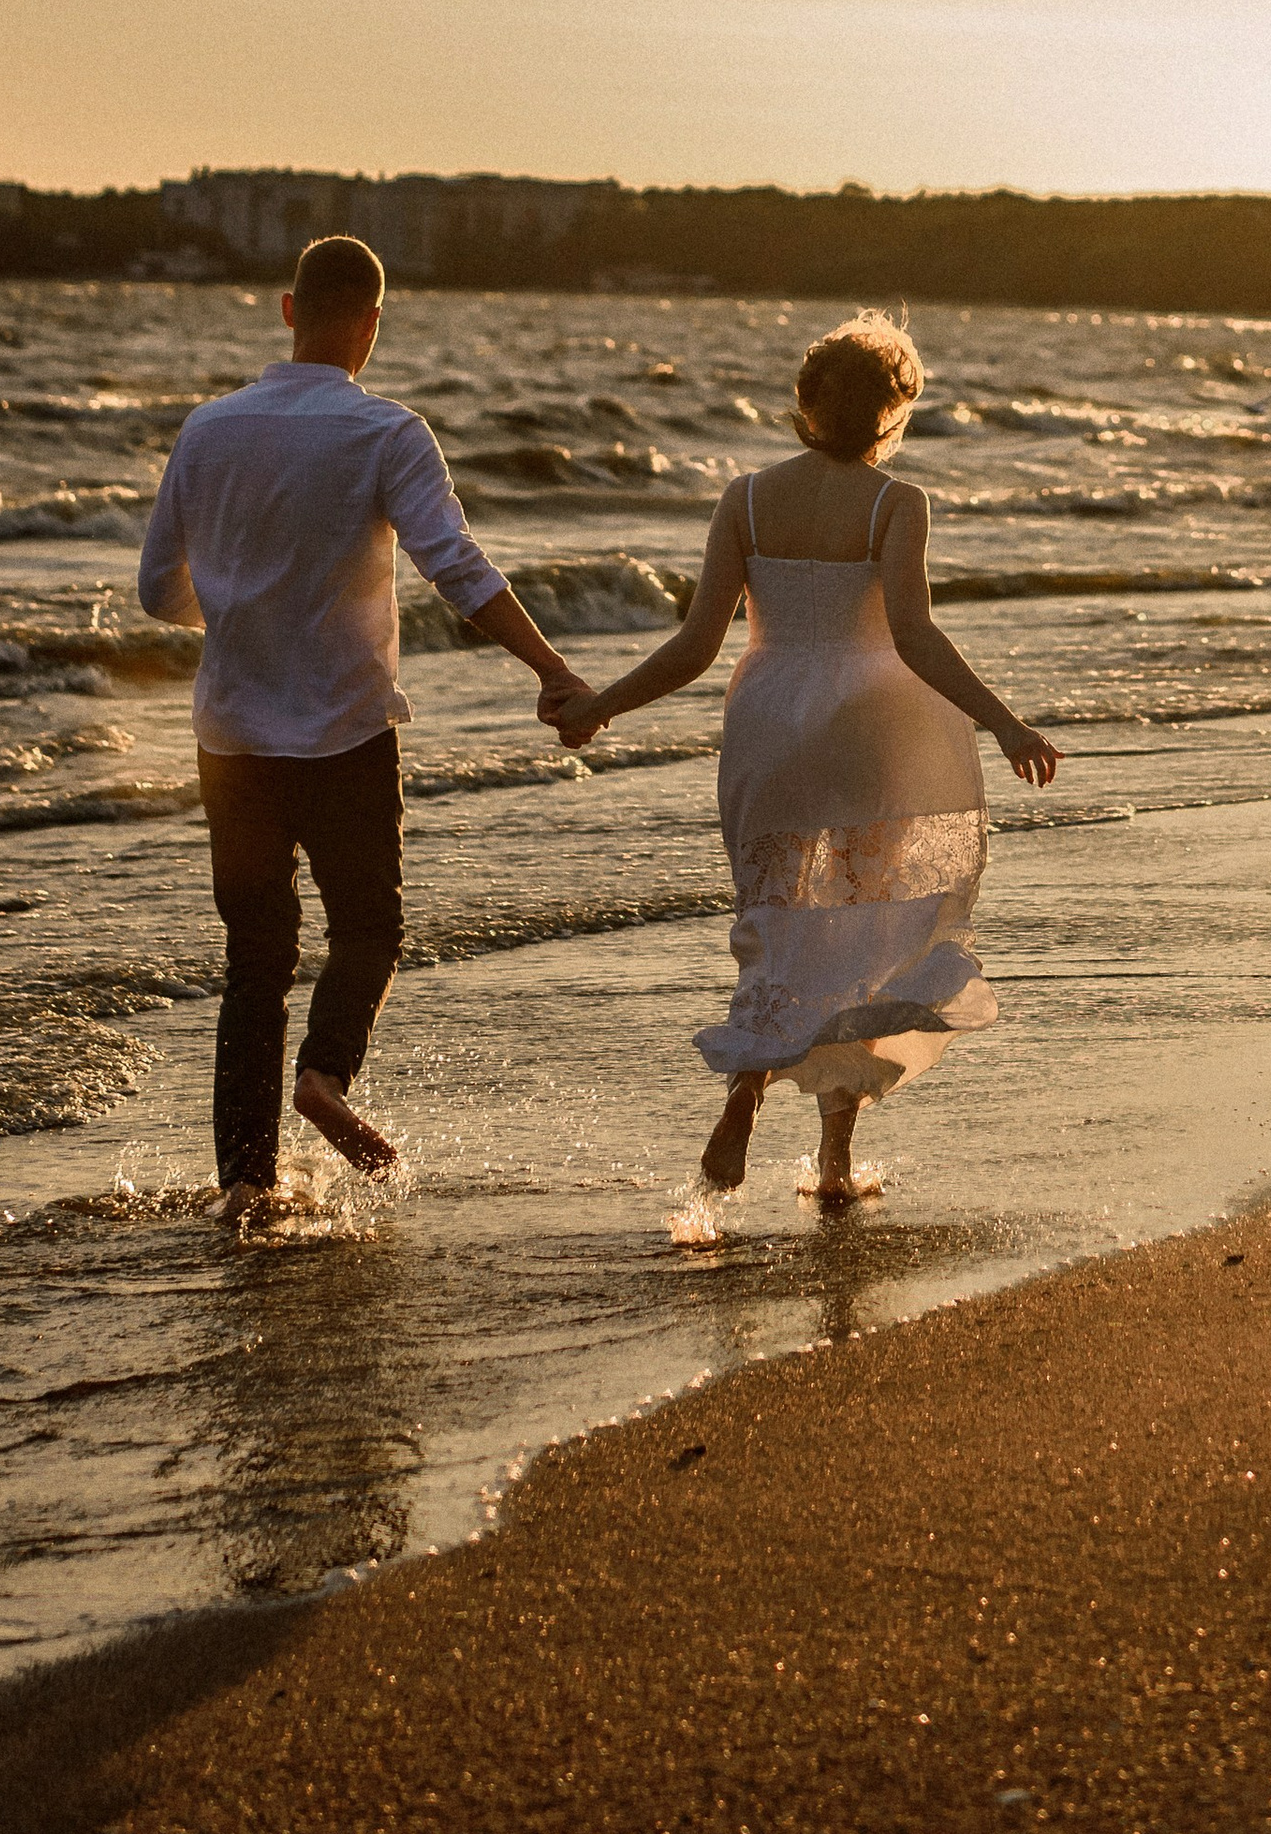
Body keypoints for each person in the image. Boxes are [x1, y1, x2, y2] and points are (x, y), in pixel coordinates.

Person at [543, 311, 1058, 1205]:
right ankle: (834, 1160)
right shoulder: (896, 503)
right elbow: (915, 636)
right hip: (871, 731)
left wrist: (598, 706)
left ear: (806, 403)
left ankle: (746, 1090)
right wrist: (1005, 722)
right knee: (859, 927)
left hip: (769, 725)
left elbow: (697, 644)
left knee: (777, 920)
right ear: (890, 415)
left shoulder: (743, 498)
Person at [138, 234, 592, 1200]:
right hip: (345, 733)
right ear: (372, 326)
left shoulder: (207, 429)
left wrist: (236, 605)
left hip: (230, 742)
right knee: (368, 932)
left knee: (255, 963)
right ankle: (324, 1074)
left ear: (289, 309)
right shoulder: (388, 433)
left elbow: (155, 592)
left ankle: (247, 1190)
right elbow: (457, 570)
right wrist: (553, 669)